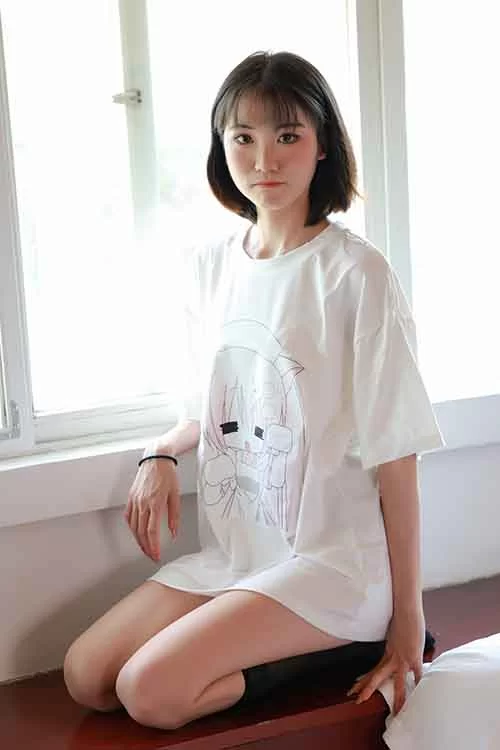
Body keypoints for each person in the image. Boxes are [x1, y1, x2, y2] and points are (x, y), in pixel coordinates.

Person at [63, 50, 444, 730]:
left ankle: (343, 643)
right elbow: (210, 402)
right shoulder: (211, 268)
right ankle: (268, 638)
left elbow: (397, 452)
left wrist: (406, 619)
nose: (264, 160)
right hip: (241, 554)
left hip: (331, 564)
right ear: (222, 146)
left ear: (322, 145)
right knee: (87, 675)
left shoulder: (355, 275)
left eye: (287, 136)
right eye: (243, 137)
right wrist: (160, 451)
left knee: (150, 692)